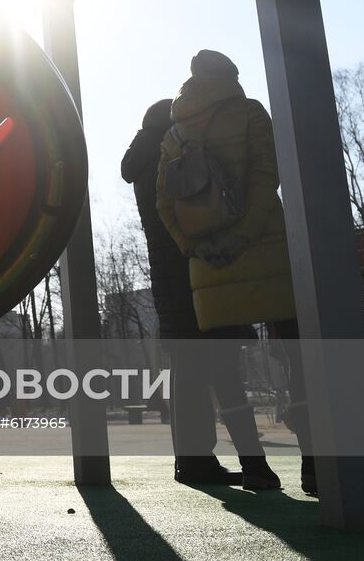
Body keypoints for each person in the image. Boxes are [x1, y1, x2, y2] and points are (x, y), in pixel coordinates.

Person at [156, 50, 316, 496]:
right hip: (266, 253)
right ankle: (316, 464)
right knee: (299, 358)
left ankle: (254, 467)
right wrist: (244, 235)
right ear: (231, 78)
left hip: (209, 266)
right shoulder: (249, 113)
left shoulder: (175, 132)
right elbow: (268, 178)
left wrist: (195, 246)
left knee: (224, 369)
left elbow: (165, 204)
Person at [123, 98, 272, 489]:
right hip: (198, 279)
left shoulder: (143, 165)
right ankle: (251, 464)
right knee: (225, 375)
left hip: (169, 289)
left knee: (188, 379)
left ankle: (194, 461)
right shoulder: (175, 160)